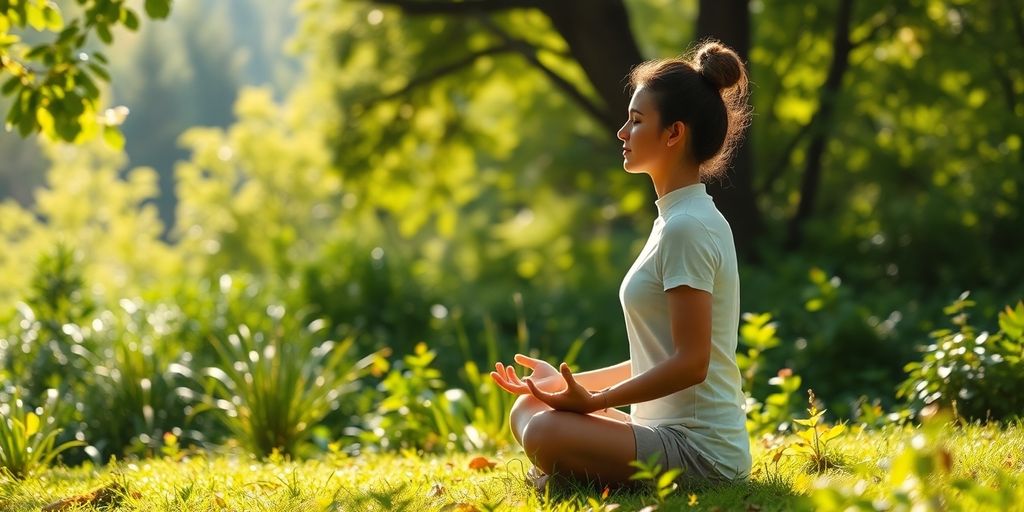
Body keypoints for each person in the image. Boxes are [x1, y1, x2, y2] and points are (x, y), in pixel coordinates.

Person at [490, 39, 753, 488]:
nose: (622, 132)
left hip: (702, 453)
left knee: (547, 430)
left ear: (674, 133)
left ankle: (570, 473)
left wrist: (593, 404)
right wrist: (563, 387)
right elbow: (656, 358)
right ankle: (576, 469)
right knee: (531, 408)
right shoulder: (674, 219)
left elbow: (692, 363)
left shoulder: (688, 227)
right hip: (657, 434)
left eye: (636, 120)